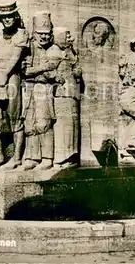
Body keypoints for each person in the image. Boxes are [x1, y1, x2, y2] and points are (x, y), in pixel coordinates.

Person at [0, 0, 29, 171]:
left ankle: (17, 158)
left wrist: (4, 75)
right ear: (0, 18)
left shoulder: (21, 35)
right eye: (4, 17)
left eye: (10, 16)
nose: (7, 19)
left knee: (15, 116)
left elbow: (15, 57)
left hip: (11, 78)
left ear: (15, 16)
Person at [17, 11, 65, 171]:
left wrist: (37, 70)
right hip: (29, 88)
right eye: (40, 34)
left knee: (44, 123)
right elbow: (25, 71)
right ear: (34, 33)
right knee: (29, 124)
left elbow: (52, 72)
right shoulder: (28, 48)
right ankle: (31, 157)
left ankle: (47, 158)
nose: (44, 37)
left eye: (47, 34)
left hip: (44, 88)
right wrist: (42, 68)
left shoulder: (54, 49)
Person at [52, 27, 82, 169]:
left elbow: (77, 70)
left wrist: (76, 70)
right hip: (60, 94)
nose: (71, 39)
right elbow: (48, 70)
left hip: (72, 94)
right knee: (62, 126)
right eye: (67, 36)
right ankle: (60, 158)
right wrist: (56, 77)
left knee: (72, 125)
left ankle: (70, 156)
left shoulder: (70, 52)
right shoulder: (53, 51)